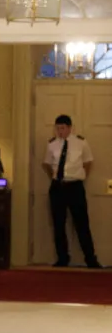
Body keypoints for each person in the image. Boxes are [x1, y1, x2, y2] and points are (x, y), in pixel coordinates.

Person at [42, 114, 101, 269]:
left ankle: (91, 259)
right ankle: (62, 258)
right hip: (58, 187)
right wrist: (56, 177)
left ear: (69, 128)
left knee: (82, 224)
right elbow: (47, 164)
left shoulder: (81, 142)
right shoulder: (52, 144)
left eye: (62, 128)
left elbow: (88, 162)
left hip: (75, 187)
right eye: (57, 128)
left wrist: (81, 176)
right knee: (58, 224)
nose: (59, 131)